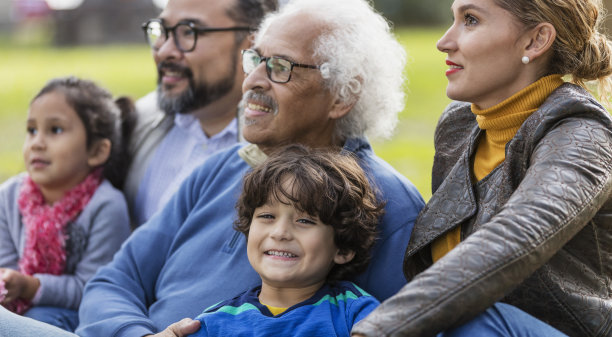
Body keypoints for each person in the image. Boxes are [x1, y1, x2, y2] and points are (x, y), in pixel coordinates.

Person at [76, 0, 424, 336]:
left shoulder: (385, 203)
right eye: (255, 60)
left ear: (342, 95)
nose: (253, 81)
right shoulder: (219, 169)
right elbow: (113, 283)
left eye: (280, 67)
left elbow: (404, 327)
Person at [352, 0, 612, 336]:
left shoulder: (583, 135)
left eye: (471, 20)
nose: (444, 41)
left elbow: (517, 236)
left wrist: (379, 329)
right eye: (453, 19)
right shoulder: (459, 125)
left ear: (535, 41)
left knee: (474, 319)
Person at [192, 144, 382, 336]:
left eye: (305, 220)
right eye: (267, 216)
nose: (280, 232)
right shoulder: (213, 323)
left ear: (343, 249)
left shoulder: (356, 313)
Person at [124, 0, 278, 225]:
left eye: (189, 31)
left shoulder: (277, 153)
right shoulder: (138, 122)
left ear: (253, 43)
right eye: (163, 31)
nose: (164, 51)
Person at [0, 76, 132, 332]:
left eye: (55, 130)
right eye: (32, 130)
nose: (37, 142)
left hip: (75, 316)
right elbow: (4, 265)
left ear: (97, 152)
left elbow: (96, 288)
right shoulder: (8, 196)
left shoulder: (105, 206)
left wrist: (30, 286)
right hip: (16, 311)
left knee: (40, 317)